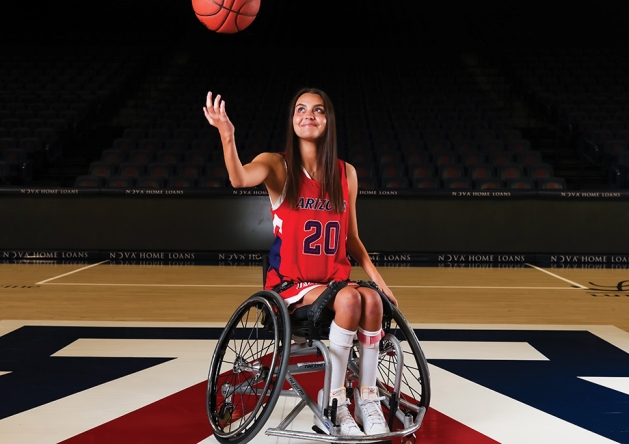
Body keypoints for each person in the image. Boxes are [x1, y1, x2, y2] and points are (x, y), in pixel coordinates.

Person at [203, 87, 399, 437]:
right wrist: (227, 136)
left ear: (328, 121)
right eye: (301, 109)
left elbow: (351, 239)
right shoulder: (277, 165)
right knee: (353, 298)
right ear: (293, 121)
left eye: (318, 110)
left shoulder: (346, 174)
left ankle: (367, 397)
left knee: (371, 299)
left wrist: (378, 279)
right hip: (291, 286)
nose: (309, 115)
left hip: (333, 284)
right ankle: (334, 400)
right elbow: (239, 178)